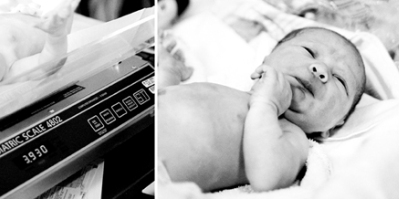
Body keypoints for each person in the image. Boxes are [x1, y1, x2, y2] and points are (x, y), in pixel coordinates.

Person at [157, 26, 367, 193]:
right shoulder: (230, 89)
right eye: (309, 52)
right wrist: (169, 73)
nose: (320, 70)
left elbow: (266, 177)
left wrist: (268, 104)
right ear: (267, 59)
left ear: (335, 124)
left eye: (340, 80)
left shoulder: (291, 136)